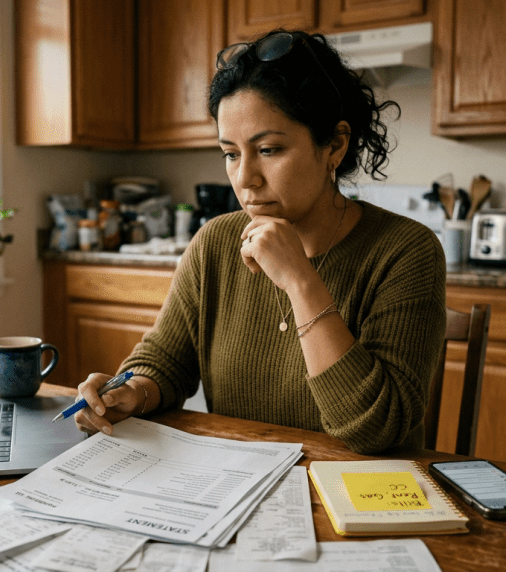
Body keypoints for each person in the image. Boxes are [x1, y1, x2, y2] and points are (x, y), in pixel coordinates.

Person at [72, 29, 446, 455]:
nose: (245, 178)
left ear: (335, 146)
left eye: (268, 150)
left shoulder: (405, 251)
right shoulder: (216, 242)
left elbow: (378, 431)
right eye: (231, 154)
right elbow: (165, 362)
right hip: (237, 489)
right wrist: (132, 392)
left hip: (357, 500)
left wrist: (301, 281)